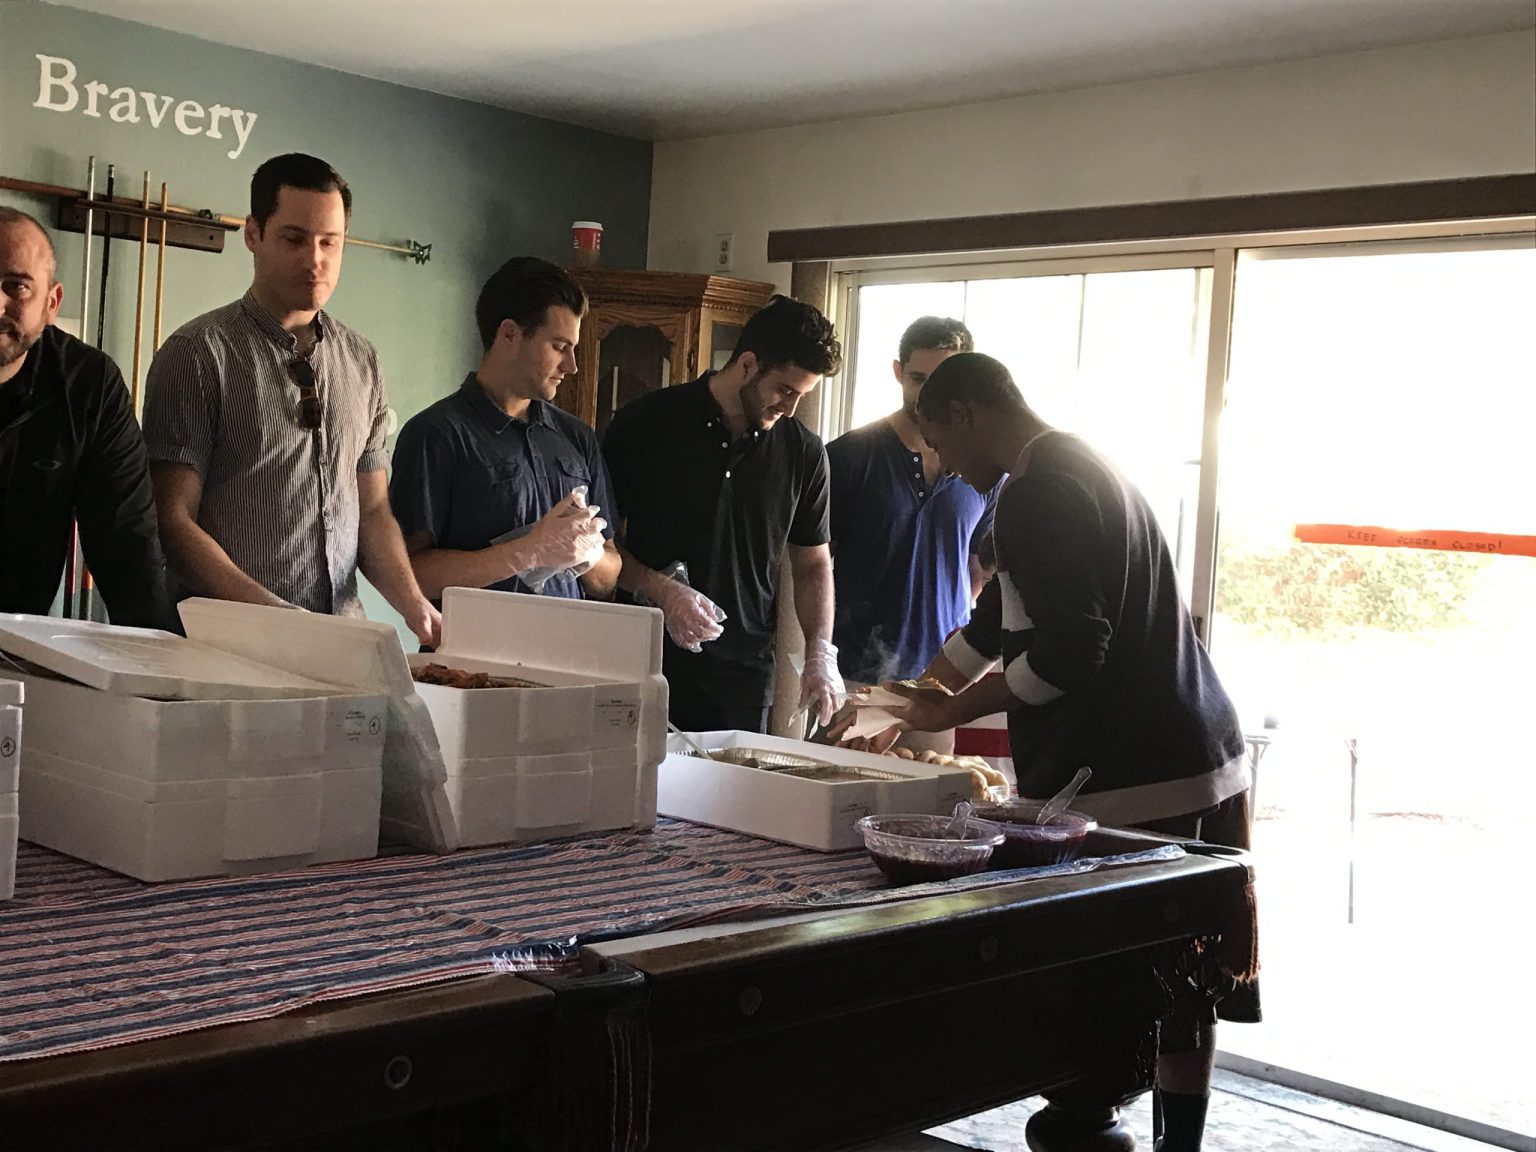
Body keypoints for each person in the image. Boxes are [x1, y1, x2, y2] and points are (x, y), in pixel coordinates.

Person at [875, 352, 1254, 1152]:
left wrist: (955, 707)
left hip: (1140, 773)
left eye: (939, 440)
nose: (944, 463)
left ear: (967, 412)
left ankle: (1100, 1126)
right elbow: (998, 622)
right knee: (1179, 985)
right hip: (1190, 752)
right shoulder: (1076, 463)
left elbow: (1072, 652)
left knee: (1130, 991)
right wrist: (913, 699)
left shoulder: (1038, 491)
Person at [142, 153, 438, 646]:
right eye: (295, 239)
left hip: (342, 642)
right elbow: (171, 521)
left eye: (330, 242)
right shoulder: (198, 354)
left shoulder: (362, 360)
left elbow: (371, 510)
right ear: (253, 234)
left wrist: (413, 604)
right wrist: (278, 617)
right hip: (232, 644)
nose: (315, 260)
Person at [603, 295, 843, 735]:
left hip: (744, 683)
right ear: (748, 364)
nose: (790, 408)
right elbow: (598, 546)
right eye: (785, 390)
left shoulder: (804, 452)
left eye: (802, 396)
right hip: (642, 664)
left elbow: (813, 565)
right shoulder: (645, 424)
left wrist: (819, 652)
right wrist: (660, 589)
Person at [389, 257, 617, 604]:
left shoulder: (577, 438)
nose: (571, 366)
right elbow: (410, 576)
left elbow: (609, 578)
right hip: (473, 640)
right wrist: (529, 550)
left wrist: (587, 554)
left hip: (569, 638)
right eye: (559, 347)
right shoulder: (434, 434)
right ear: (509, 334)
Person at [826, 316, 995, 749]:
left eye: (944, 379)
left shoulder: (985, 471)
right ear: (898, 372)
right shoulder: (848, 457)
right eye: (919, 379)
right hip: (854, 677)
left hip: (941, 684)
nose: (929, 394)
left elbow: (978, 570)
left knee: (935, 787)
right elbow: (813, 565)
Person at [0, 207, 170, 628]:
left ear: (51, 303)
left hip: (17, 643)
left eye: (16, 286)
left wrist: (156, 659)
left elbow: (129, 549)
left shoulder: (89, 385)